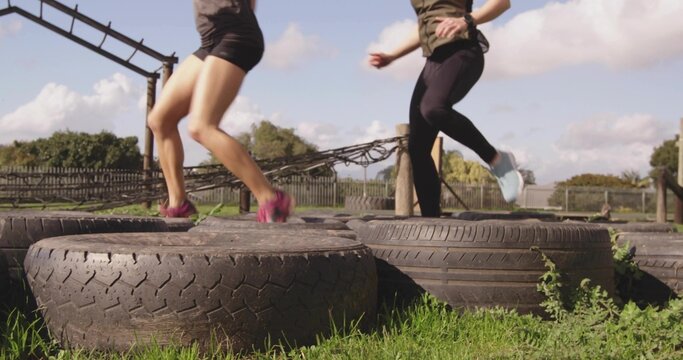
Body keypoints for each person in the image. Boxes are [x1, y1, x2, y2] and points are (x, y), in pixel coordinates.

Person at [369, 0, 523, 217]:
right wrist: (393, 55)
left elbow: (502, 3)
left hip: (462, 52)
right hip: (434, 62)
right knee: (418, 147)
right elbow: (427, 26)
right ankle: (431, 222)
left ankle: (497, 159)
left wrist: (466, 20)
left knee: (433, 108)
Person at [147, 0, 292, 222]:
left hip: (237, 36)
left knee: (201, 127)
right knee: (160, 120)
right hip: (210, 42)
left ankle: (271, 199)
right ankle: (179, 204)